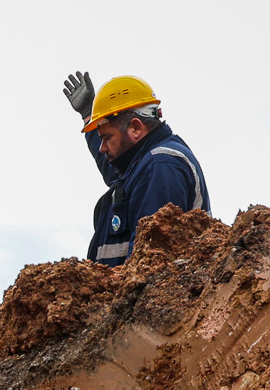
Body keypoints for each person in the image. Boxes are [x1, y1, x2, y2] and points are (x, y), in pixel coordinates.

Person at [61, 71, 210, 266]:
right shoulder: (142, 164)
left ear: (136, 128)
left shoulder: (161, 166)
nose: (102, 148)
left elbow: (149, 262)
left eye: (106, 138)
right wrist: (89, 114)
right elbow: (115, 170)